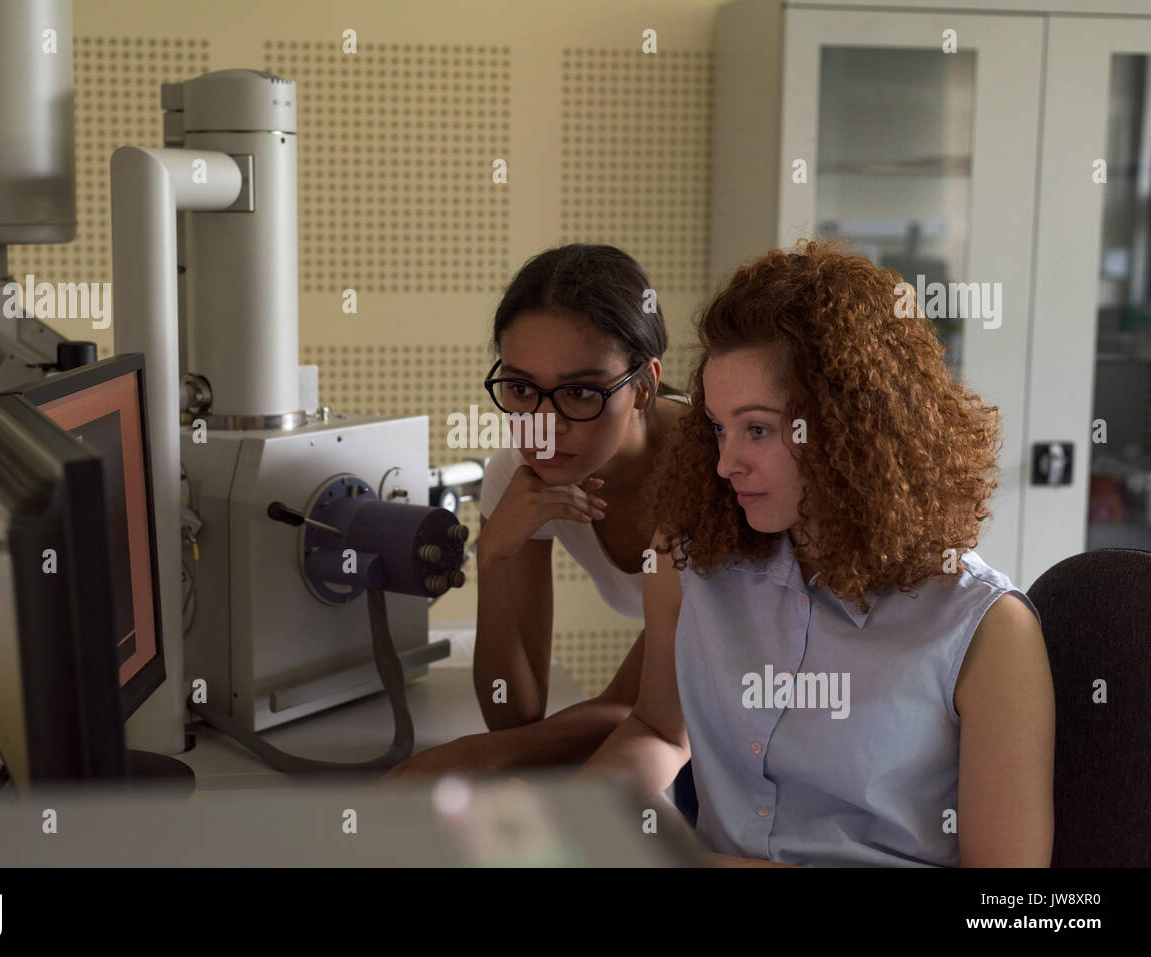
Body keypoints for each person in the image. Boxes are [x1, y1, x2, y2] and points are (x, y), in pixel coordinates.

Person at [577, 240, 1055, 867]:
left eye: (758, 430)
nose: (724, 464)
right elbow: (658, 731)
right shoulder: (688, 561)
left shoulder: (988, 633)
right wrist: (575, 820)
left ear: (852, 428)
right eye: (719, 428)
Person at [382, 244, 697, 820]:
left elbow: (639, 707)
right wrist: (494, 556)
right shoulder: (519, 475)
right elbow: (514, 712)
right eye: (521, 389)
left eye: (580, 392)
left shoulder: (714, 475)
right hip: (681, 726)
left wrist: (468, 760)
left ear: (645, 386)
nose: (543, 428)